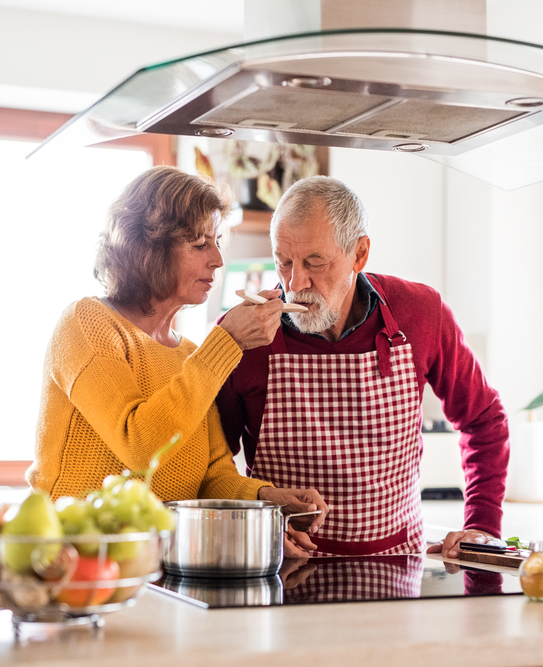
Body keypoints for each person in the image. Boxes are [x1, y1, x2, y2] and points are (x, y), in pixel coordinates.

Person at [26, 166, 327, 556]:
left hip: (159, 565)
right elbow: (141, 444)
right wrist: (227, 342)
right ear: (146, 248)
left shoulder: (189, 355)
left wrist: (270, 500)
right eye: (200, 244)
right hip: (71, 564)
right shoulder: (87, 325)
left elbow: (214, 476)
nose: (218, 259)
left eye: (217, 241)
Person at [216, 176, 509, 559]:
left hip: (397, 568)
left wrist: (483, 524)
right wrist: (254, 523)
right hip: (281, 573)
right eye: (283, 261)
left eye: (314, 262)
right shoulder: (242, 336)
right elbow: (212, 465)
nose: (294, 282)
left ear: (360, 254)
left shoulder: (420, 312)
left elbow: (484, 419)